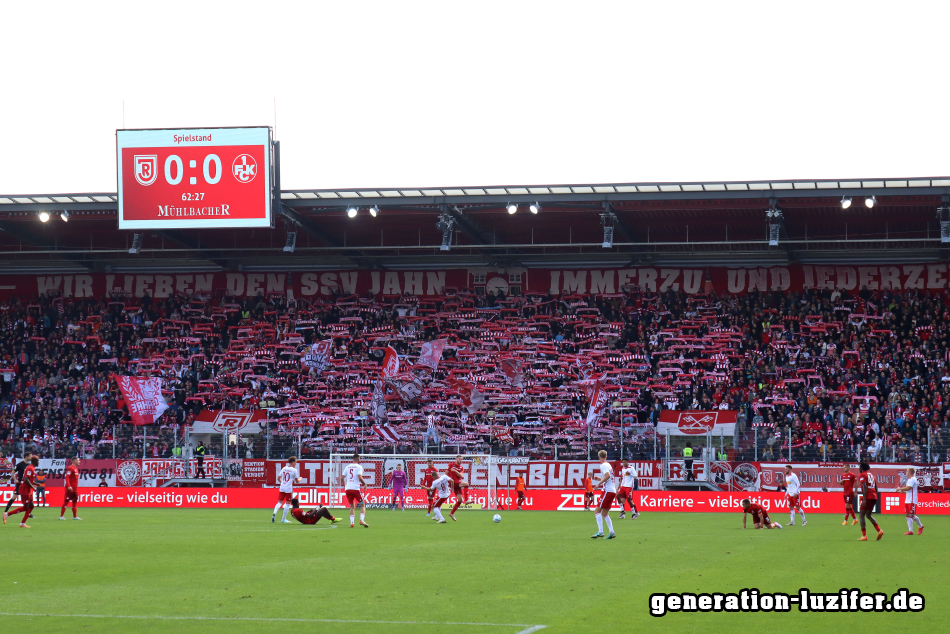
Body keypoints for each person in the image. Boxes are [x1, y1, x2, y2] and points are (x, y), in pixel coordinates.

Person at [4, 456, 38, 528]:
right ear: (35, 461)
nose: (38, 462)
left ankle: (22, 523)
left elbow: (29, 479)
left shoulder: (32, 468)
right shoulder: (30, 468)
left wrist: (35, 484)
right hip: (25, 489)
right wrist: (33, 487)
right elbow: (26, 479)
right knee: (26, 507)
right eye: (38, 461)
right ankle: (7, 514)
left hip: (29, 490)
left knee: (31, 506)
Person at [591, 450, 616, 539]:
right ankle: (612, 532)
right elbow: (608, 476)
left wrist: (598, 483)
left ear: (599, 457)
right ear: (606, 456)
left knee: (597, 511)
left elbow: (608, 475)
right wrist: (600, 479)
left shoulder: (603, 465)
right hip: (612, 490)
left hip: (607, 491)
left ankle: (601, 531)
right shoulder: (608, 464)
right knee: (605, 513)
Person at [857, 462, 883, 541]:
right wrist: (876, 496)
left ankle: (864, 535)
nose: (859, 469)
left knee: (861, 515)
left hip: (868, 496)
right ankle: (879, 531)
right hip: (874, 496)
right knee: (868, 515)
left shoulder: (862, 475)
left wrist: (864, 498)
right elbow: (875, 487)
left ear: (862, 467)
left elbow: (864, 486)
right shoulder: (872, 475)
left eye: (859, 467)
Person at [341, 453, 369, 528]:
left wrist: (345, 486)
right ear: (359, 459)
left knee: (352, 506)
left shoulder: (347, 467)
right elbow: (359, 477)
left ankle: (352, 523)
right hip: (355, 489)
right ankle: (361, 520)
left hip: (348, 489)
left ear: (352, 459)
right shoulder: (359, 467)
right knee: (362, 504)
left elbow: (342, 478)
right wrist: (365, 484)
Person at [272, 457, 302, 524]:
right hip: (288, 489)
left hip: (282, 487)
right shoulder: (294, 470)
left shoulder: (284, 468)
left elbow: (278, 478)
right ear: (293, 462)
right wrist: (300, 479)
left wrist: (283, 483)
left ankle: (274, 513)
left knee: (279, 502)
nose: (296, 463)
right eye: (295, 462)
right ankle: (283, 519)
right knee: (288, 503)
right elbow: (297, 481)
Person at [896, 467, 924, 535]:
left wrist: (900, 488)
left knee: (912, 515)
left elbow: (909, 488)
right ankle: (910, 531)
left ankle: (920, 526)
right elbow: (910, 490)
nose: (906, 472)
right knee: (907, 514)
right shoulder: (909, 480)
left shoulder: (913, 479)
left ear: (910, 472)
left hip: (912, 499)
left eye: (907, 471)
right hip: (907, 499)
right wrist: (904, 492)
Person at [4, 451, 31, 515]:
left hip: (26, 484)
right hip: (20, 484)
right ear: (26, 457)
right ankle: (5, 511)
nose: (31, 457)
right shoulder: (20, 464)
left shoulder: (29, 465)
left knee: (27, 499)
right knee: (14, 497)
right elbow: (12, 473)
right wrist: (15, 480)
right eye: (30, 456)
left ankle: (28, 513)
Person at [447, 455, 469, 521]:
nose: (460, 460)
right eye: (459, 459)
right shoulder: (451, 465)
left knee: (460, 500)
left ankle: (451, 513)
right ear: (456, 459)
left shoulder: (461, 467)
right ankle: (467, 500)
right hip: (453, 482)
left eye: (461, 459)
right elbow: (446, 473)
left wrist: (455, 471)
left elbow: (461, 475)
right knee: (466, 484)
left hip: (458, 483)